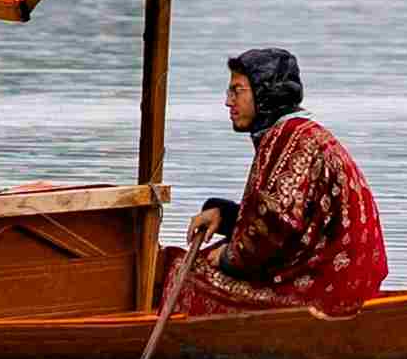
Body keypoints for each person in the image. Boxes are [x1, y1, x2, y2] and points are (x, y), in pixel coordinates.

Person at [165, 46, 388, 316]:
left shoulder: (288, 138)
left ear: (264, 92)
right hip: (340, 278)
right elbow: (292, 220)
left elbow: (276, 222)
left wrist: (227, 259)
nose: (228, 102)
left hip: (325, 289)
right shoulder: (296, 133)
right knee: (195, 262)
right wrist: (224, 216)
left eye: (237, 91)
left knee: (183, 270)